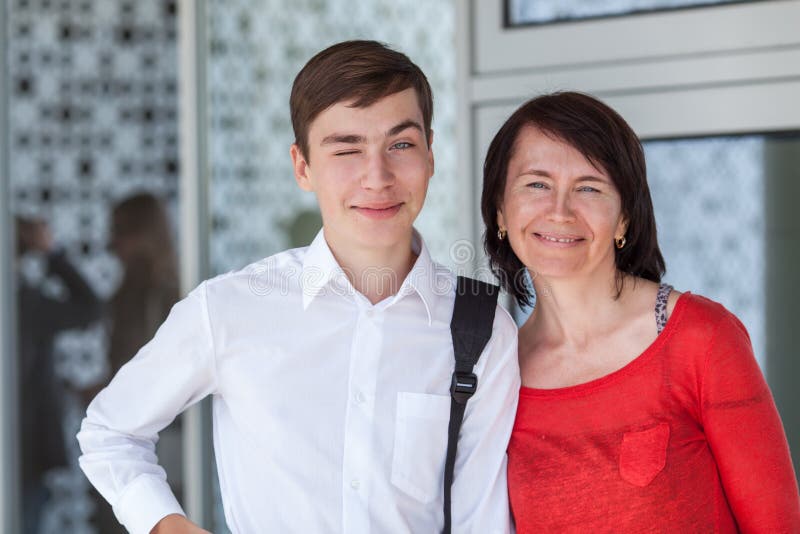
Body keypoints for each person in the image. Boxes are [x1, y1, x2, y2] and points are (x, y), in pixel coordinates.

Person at [78, 40, 519, 534]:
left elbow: (483, 519)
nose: (377, 177)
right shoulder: (229, 309)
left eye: (400, 145)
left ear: (430, 156)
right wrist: (165, 524)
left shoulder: (482, 328)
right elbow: (110, 431)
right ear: (302, 166)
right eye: (346, 149)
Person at [481, 92, 800, 532]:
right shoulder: (498, 372)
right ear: (500, 210)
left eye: (588, 188)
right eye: (536, 184)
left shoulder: (702, 339)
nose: (559, 211)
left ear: (625, 218)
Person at [84, 192, 182, 534]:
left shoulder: (163, 294)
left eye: (121, 232)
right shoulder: (136, 290)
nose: (114, 243)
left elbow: (160, 376)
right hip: (132, 441)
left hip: (152, 446)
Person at [16, 217, 102, 533]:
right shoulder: (20, 303)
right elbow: (90, 308)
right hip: (22, 453)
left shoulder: (23, 303)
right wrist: (52, 253)